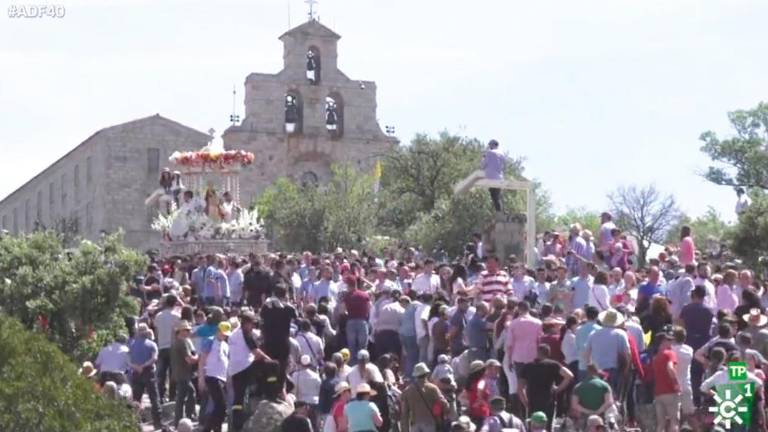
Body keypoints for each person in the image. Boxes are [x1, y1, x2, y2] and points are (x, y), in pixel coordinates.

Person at [229, 310, 272, 431]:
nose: (253, 326)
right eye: (252, 323)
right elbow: (256, 352)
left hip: (234, 369)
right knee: (267, 366)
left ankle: (236, 425)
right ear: (246, 323)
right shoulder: (245, 334)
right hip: (245, 367)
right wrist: (270, 360)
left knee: (238, 398)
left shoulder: (234, 334)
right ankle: (267, 391)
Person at [519, 344, 573, 430]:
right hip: (548, 401)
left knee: (532, 427)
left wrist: (525, 402)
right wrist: (558, 389)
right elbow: (569, 376)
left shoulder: (527, 366)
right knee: (547, 426)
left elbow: (520, 388)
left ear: (537, 353)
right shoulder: (553, 365)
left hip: (532, 402)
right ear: (548, 353)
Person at [584, 309, 630, 396]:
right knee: (613, 396)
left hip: (597, 369)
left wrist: (589, 368)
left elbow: (586, 353)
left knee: (597, 397)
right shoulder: (620, 334)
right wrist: (625, 370)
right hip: (614, 369)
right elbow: (627, 353)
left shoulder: (593, 333)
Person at [129, 323, 162, 430]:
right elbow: (154, 358)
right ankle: (157, 423)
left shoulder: (132, 345)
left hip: (136, 372)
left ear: (138, 332)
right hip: (149, 372)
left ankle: (134, 423)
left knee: (136, 399)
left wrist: (136, 366)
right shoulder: (152, 344)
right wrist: (144, 365)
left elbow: (128, 360)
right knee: (154, 398)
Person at [400, 362, 450, 432]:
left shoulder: (407, 391)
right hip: (429, 423)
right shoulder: (432, 388)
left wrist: (405, 429)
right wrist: (446, 412)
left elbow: (404, 413)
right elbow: (443, 403)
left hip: (415, 424)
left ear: (415, 375)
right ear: (426, 374)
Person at [261, 285, 298, 376]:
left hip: (269, 342)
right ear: (285, 295)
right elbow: (296, 316)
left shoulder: (266, 307)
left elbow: (261, 317)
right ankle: (281, 386)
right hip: (283, 343)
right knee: (282, 368)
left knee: (269, 366)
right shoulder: (288, 308)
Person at [202, 321, 232, 432]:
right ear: (218, 331)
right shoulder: (210, 341)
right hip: (211, 376)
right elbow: (202, 360)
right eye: (223, 333)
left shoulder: (226, 345)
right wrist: (201, 377)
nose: (224, 336)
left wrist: (228, 378)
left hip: (222, 377)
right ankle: (207, 428)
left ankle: (216, 428)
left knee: (219, 406)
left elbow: (227, 362)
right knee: (221, 405)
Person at [153, 293, 180, 402]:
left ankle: (160, 396)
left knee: (161, 373)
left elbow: (156, 332)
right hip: (173, 347)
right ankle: (172, 396)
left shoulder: (158, 316)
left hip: (162, 346)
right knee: (173, 373)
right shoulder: (177, 316)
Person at [652, 332, 681, 432]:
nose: (671, 342)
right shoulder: (669, 353)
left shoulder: (655, 357)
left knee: (661, 423)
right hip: (670, 391)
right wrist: (676, 384)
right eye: (669, 340)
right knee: (674, 421)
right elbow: (670, 368)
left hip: (658, 393)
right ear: (663, 342)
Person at [171, 320, 198, 426]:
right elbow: (189, 359)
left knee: (182, 396)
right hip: (183, 374)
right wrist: (198, 358)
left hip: (179, 373)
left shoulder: (175, 342)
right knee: (190, 393)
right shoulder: (182, 342)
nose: (188, 332)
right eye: (186, 330)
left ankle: (179, 419)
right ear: (180, 331)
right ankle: (187, 416)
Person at [571, 364, 614, 429]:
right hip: (600, 417)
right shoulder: (605, 385)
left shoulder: (578, 387)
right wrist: (598, 411)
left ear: (587, 372)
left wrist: (588, 412)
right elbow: (609, 402)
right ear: (597, 372)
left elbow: (574, 405)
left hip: (585, 419)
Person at [343, 275, 372, 364]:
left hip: (351, 321)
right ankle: (363, 365)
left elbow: (343, 311)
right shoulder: (364, 295)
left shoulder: (347, 296)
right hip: (362, 321)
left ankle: (352, 366)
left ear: (348, 285)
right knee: (362, 347)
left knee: (352, 348)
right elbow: (369, 308)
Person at [575, 306, 602, 380]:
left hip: (582, 365)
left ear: (586, 316)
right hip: (596, 366)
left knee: (582, 390)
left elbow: (576, 347)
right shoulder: (600, 330)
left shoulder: (578, 329)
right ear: (597, 316)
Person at [480, 139, 507, 212]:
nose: (489, 147)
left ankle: (499, 213)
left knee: (493, 196)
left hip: (490, 178)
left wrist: (483, 157)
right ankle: (500, 212)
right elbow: (504, 166)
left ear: (493, 145)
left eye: (490, 145)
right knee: (497, 197)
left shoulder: (488, 153)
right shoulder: (502, 154)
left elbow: (482, 165)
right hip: (499, 179)